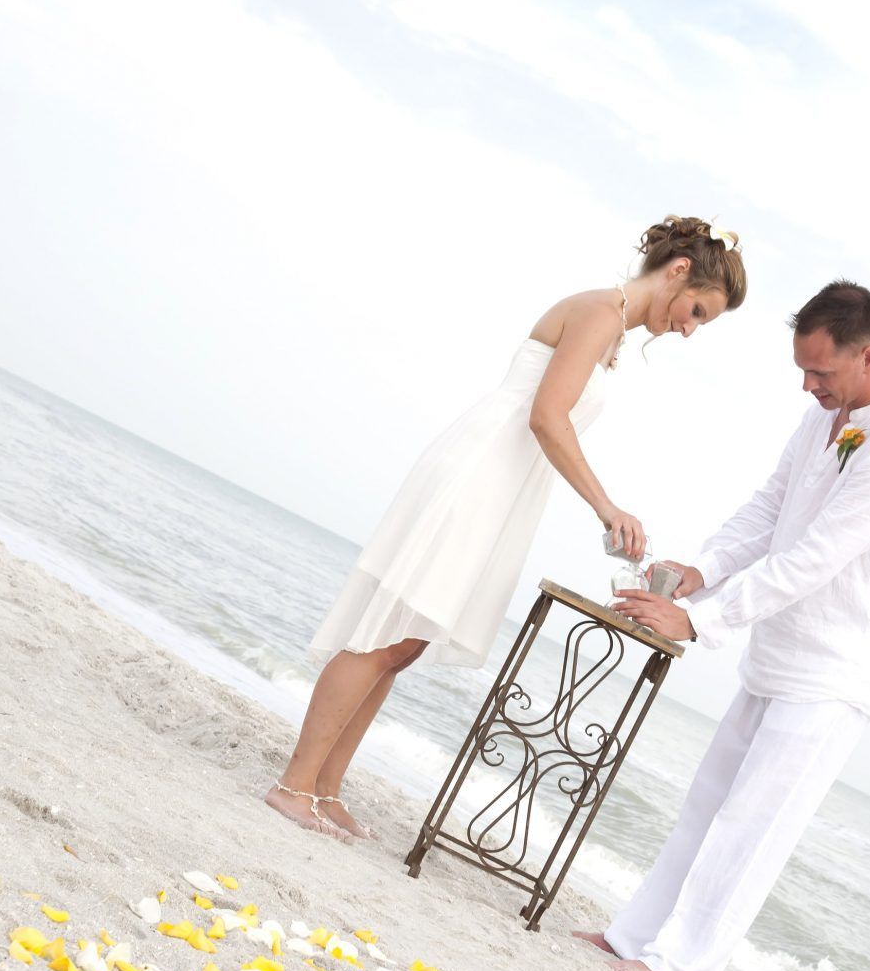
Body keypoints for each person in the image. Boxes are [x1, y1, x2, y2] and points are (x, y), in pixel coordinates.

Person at [267, 217, 748, 837]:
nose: (688, 328)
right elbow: (547, 417)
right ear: (679, 272)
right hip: (478, 474)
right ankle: (294, 784)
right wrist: (608, 508)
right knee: (384, 634)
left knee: (407, 643)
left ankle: (325, 790)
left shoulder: (612, 332)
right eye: (698, 311)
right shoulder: (602, 310)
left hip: (504, 487)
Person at [577, 279, 870, 971]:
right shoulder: (823, 417)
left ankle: (682, 969)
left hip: (838, 670)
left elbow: (815, 557)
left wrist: (699, 621)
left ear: (868, 357)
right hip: (779, 651)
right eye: (803, 371)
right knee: (708, 801)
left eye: (822, 373)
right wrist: (697, 573)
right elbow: (769, 511)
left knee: (753, 825)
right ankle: (636, 937)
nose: (808, 387)